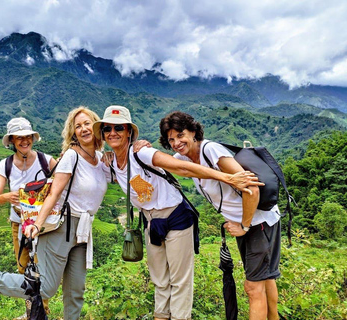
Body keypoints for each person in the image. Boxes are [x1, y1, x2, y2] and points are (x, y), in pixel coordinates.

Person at [92, 105, 264, 320]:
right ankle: (161, 316)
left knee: (180, 279)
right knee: (160, 278)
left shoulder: (142, 153)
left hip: (176, 217)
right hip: (151, 221)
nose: (113, 133)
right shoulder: (111, 162)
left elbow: (181, 167)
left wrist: (227, 177)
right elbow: (82, 161)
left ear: (129, 131)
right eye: (107, 129)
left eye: (119, 128)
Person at [0, 107, 110, 320]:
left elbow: (121, 171)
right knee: (45, 288)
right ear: (73, 133)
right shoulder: (71, 157)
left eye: (87, 124)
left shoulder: (101, 159)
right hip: (62, 227)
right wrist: (37, 225)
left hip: (84, 230)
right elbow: (53, 194)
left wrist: (131, 148)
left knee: (76, 290)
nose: (84, 129)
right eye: (78, 126)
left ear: (96, 127)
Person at [158, 111, 281, 320]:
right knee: (264, 279)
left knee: (252, 287)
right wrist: (139, 146)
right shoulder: (184, 157)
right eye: (171, 139)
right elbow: (164, 162)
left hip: (258, 223)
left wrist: (244, 225)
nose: (176, 142)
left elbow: (252, 188)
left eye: (181, 135)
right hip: (250, 223)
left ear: (194, 133)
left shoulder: (211, 151)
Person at [0, 117, 57, 274]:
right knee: (23, 267)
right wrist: (7, 197)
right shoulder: (5, 165)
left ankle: (42, 299)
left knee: (42, 269)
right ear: (12, 140)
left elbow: (63, 182)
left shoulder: (45, 161)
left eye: (28, 136)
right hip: (18, 224)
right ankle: (29, 299)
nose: (25, 141)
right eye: (19, 137)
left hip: (43, 224)